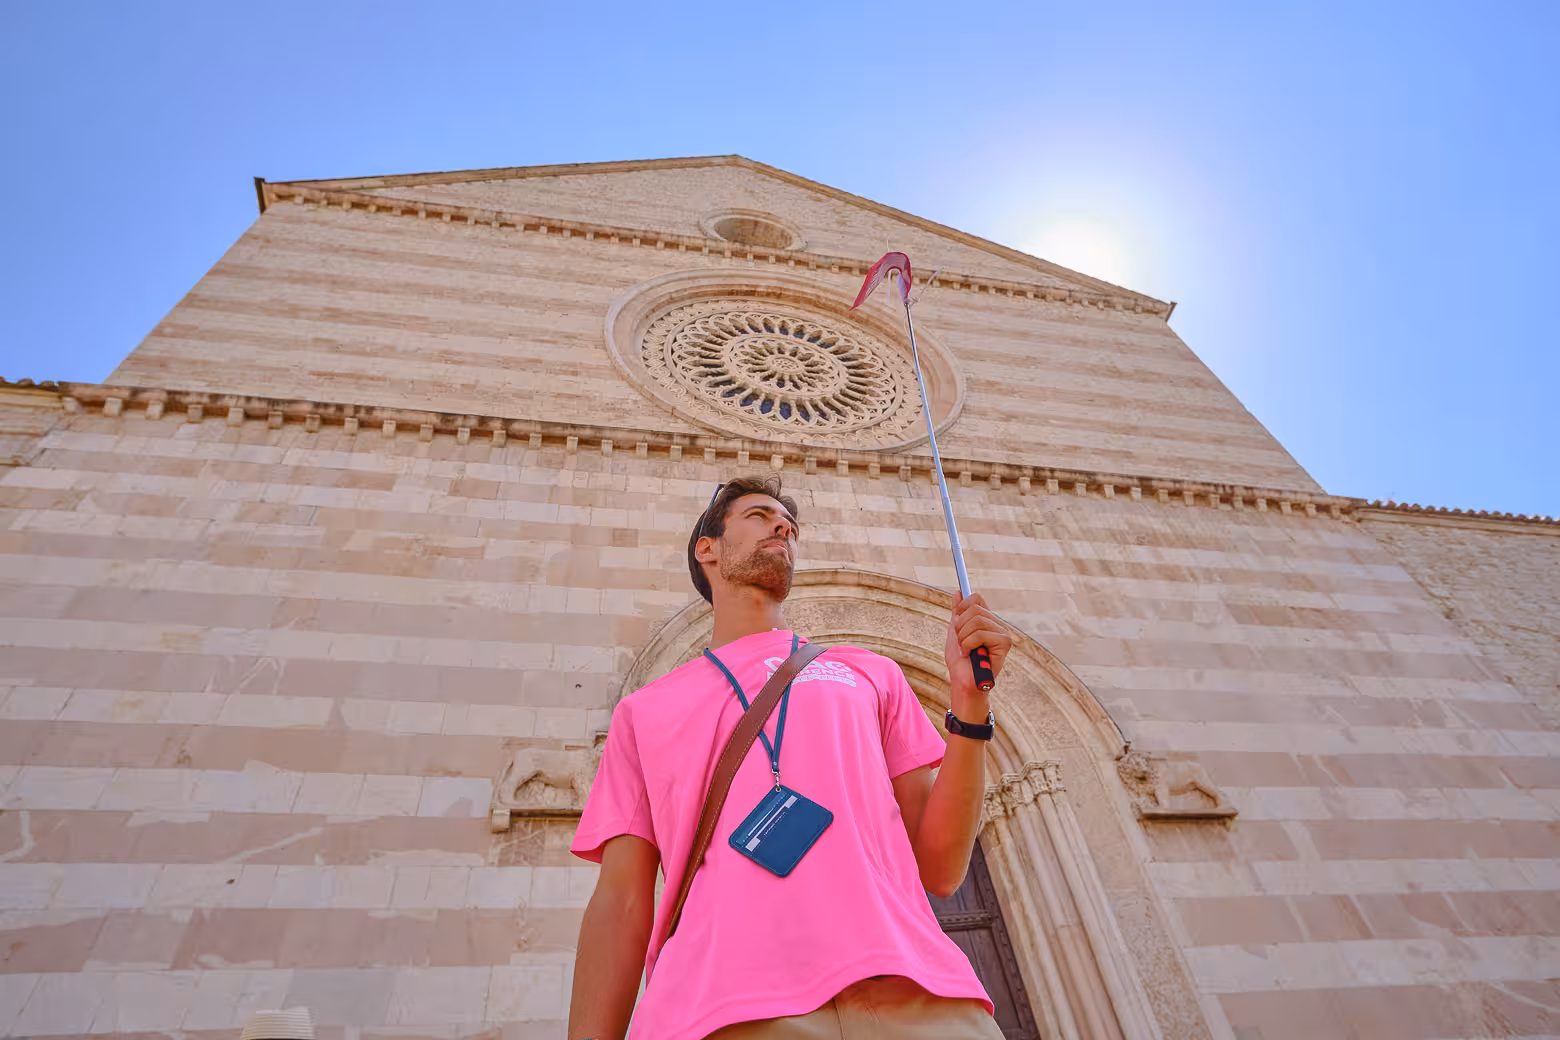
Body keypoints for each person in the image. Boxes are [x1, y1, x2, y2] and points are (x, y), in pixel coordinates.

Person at [568, 475, 1014, 1040]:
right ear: (707, 549)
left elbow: (942, 869)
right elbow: (621, 902)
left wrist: (969, 703)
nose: (783, 526)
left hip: (921, 997)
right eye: (759, 515)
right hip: (720, 1010)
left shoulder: (870, 672)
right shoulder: (643, 711)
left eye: (790, 523)